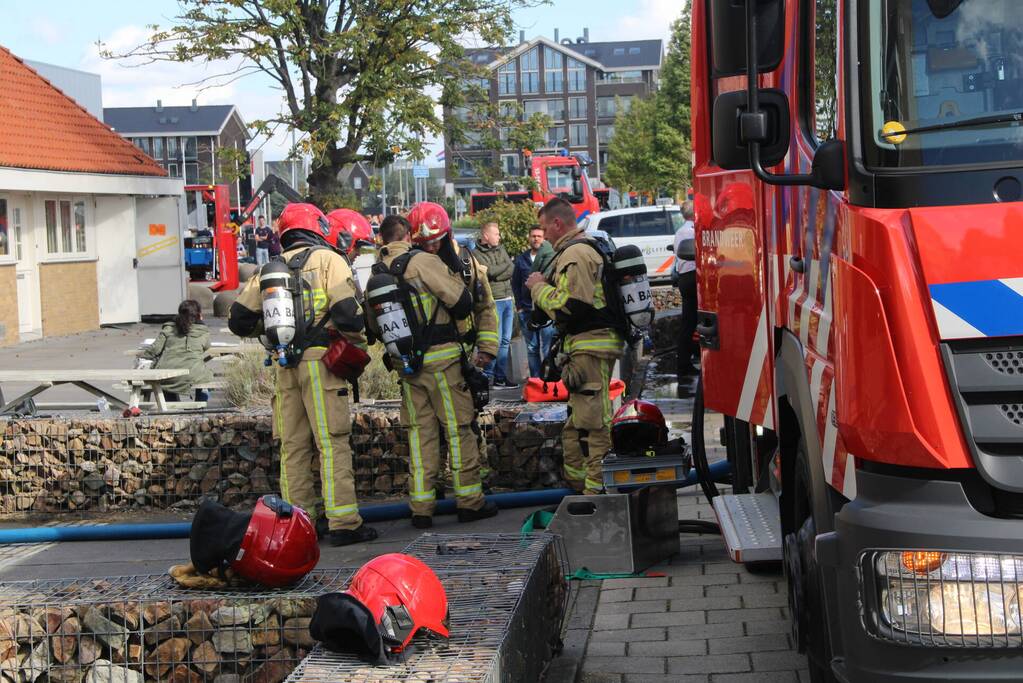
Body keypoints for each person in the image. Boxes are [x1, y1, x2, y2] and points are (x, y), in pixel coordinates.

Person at [228, 202, 377, 547]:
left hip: (285, 365)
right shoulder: (329, 260)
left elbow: (238, 319)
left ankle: (300, 526)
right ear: (317, 226)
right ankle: (343, 523)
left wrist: (271, 335)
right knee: (331, 442)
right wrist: (354, 338)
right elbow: (347, 314)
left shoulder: (269, 269)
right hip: (321, 362)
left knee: (293, 448)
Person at [366, 213, 498, 529]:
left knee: (420, 437)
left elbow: (372, 328)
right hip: (443, 362)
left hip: (408, 368)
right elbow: (462, 302)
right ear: (409, 236)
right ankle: (469, 502)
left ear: (382, 239)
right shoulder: (423, 262)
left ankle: (422, 508)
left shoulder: (376, 273)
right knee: (458, 430)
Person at [526, 198, 622, 495]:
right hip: (585, 347)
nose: (543, 236)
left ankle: (595, 493)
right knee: (577, 424)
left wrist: (537, 286)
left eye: (544, 228)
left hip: (589, 348)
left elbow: (570, 307)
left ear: (557, 224)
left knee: (594, 425)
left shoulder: (576, 254)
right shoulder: (579, 249)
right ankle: (579, 486)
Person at [472, 222, 517, 388]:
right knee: (494, 341)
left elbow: (512, 268)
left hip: (507, 298)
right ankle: (488, 376)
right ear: (486, 236)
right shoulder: (476, 254)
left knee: (505, 340)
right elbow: (489, 272)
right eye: (496, 234)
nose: (499, 237)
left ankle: (500, 376)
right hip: (494, 300)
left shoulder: (501, 249)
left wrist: (501, 270)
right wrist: (505, 267)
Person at [140, 300, 214, 402]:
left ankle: (172, 404)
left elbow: (154, 350)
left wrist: (142, 355)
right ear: (199, 315)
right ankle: (200, 404)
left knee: (165, 379)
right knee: (207, 377)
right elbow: (206, 346)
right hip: (193, 373)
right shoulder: (203, 331)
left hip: (167, 372)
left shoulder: (168, 329)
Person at [512, 225, 555, 378]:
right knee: (532, 348)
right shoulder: (521, 259)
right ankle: (536, 381)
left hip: (545, 310)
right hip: (527, 310)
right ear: (529, 238)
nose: (536, 239)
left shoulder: (551, 258)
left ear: (544, 239)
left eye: (539, 236)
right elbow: (515, 284)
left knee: (548, 347)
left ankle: (548, 381)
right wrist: (519, 306)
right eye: (533, 236)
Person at [673, 200, 698, 377]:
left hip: (684, 277)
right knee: (689, 322)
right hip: (691, 277)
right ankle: (684, 363)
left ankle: (687, 359)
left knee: (690, 321)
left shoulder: (681, 231)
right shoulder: (691, 232)